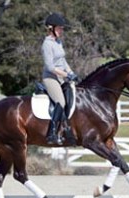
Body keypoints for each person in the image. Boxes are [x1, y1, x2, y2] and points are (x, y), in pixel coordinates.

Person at [41, 12, 78, 145]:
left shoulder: (58, 42)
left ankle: (68, 130)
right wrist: (66, 75)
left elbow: (63, 61)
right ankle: (51, 133)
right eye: (59, 28)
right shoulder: (47, 44)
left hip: (61, 77)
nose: (62, 30)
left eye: (62, 28)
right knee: (61, 102)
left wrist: (72, 72)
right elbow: (50, 67)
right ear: (51, 28)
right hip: (50, 78)